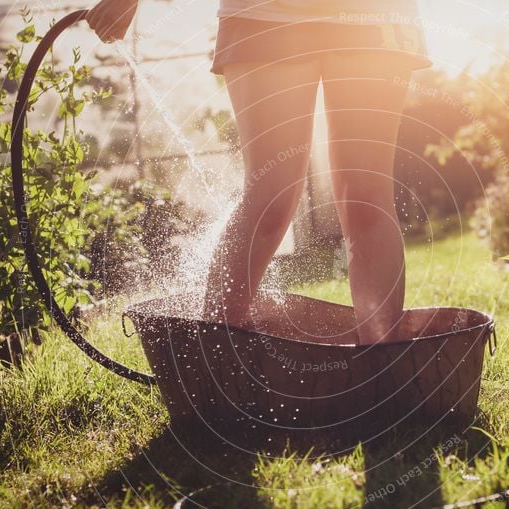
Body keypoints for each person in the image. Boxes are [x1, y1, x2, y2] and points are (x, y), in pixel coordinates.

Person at [87, 0, 431, 344]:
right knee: (271, 198)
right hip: (264, 12)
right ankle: (216, 368)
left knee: (366, 199)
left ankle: (384, 373)